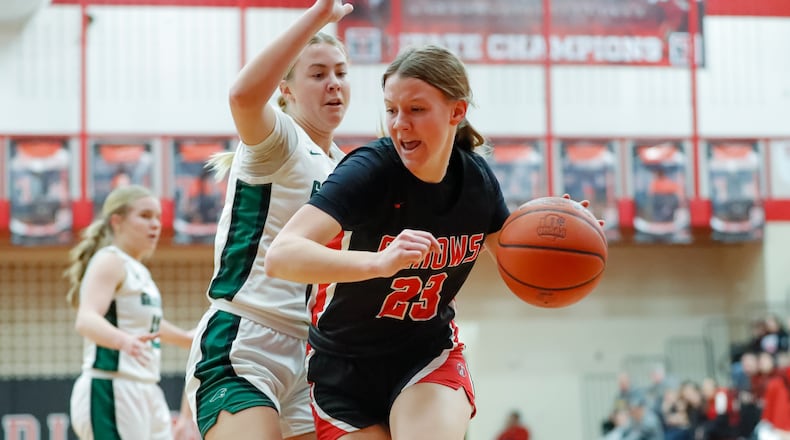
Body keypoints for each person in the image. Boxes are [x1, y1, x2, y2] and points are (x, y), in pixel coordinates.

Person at [265, 45, 600, 440]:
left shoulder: (476, 183)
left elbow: (518, 255)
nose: (399, 124)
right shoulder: (367, 172)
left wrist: (558, 233)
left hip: (425, 356)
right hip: (342, 367)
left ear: (456, 112)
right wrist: (379, 263)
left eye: (416, 110)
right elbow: (281, 256)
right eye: (391, 110)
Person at [182, 1, 353, 439]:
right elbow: (242, 95)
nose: (333, 84)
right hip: (246, 339)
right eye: (317, 74)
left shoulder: (348, 167)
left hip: (313, 351)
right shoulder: (280, 139)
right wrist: (319, 15)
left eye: (340, 72)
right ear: (287, 89)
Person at [64, 184, 197, 439]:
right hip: (111, 386)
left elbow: (149, 324)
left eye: (158, 217)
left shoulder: (139, 270)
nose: (155, 225)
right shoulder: (109, 259)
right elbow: (86, 319)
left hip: (145, 388)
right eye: (145, 216)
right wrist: (123, 341)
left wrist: (187, 338)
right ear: (117, 221)